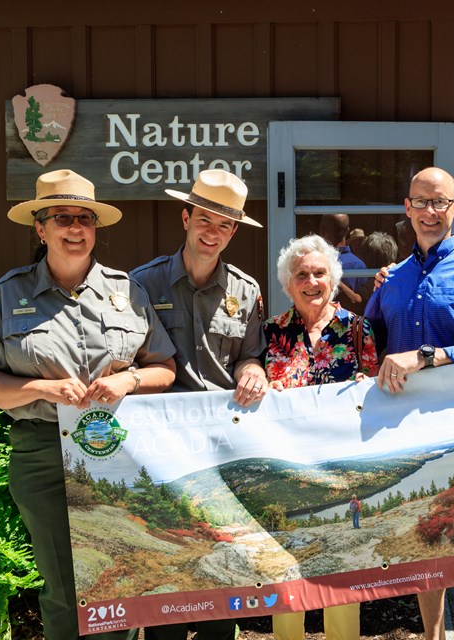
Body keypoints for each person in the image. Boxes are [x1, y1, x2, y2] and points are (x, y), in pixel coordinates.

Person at [0, 169, 177, 640]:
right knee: (63, 585)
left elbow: (165, 369)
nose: (75, 228)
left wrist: (129, 380)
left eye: (85, 218)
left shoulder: (128, 293)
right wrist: (41, 389)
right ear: (40, 228)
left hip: (116, 451)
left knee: (122, 576)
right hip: (42, 451)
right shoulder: (9, 294)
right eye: (63, 218)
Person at [365, 166, 454, 640]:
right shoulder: (392, 281)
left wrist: (429, 356)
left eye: (439, 202)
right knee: (429, 538)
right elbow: (369, 346)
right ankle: (433, 637)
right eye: (420, 201)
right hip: (411, 430)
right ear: (406, 207)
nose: (429, 211)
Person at [131, 169, 268, 640]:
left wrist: (253, 369)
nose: (212, 233)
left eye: (224, 226)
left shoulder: (245, 292)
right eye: (205, 220)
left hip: (220, 448)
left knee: (221, 575)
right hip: (160, 446)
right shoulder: (141, 285)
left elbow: (251, 353)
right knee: (167, 571)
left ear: (233, 233)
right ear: (186, 218)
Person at [263, 234, 379, 640]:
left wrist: (369, 385)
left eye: (320, 273)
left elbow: (376, 396)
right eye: (301, 275)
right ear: (287, 283)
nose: (311, 281)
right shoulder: (270, 333)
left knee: (341, 570)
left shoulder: (358, 330)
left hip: (342, 470)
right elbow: (253, 394)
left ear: (333, 278)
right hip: (286, 470)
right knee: (287, 571)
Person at [320, 213, 367, 314]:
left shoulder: (316, 264)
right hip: (352, 325)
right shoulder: (359, 266)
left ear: (323, 231)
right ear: (347, 231)